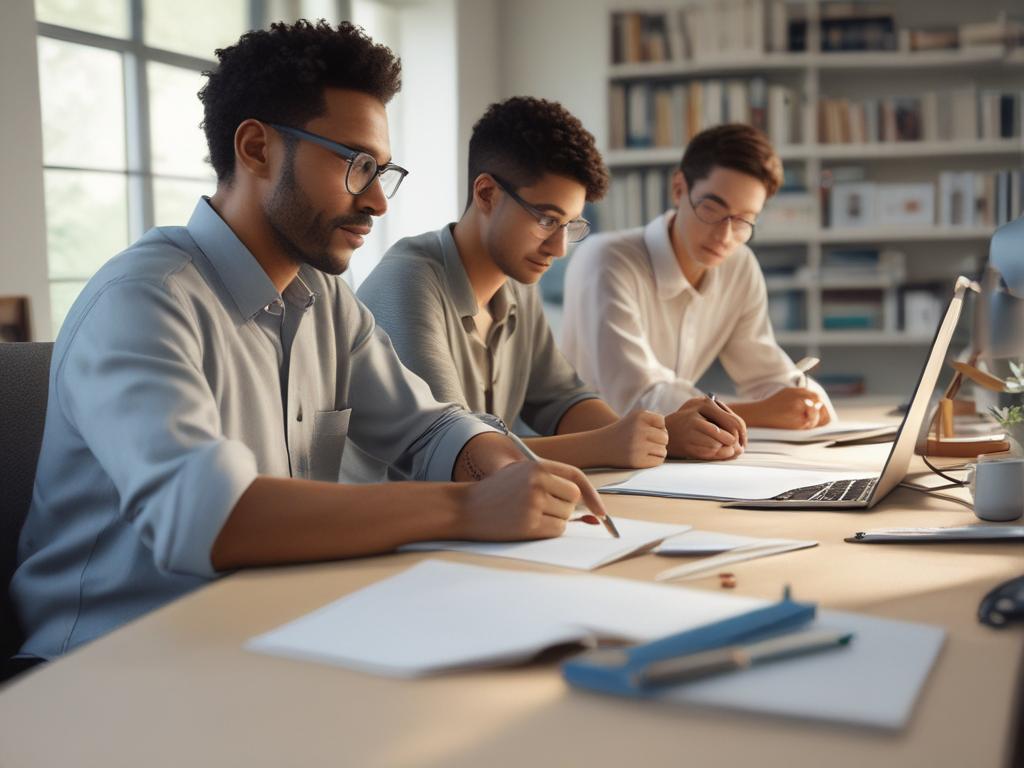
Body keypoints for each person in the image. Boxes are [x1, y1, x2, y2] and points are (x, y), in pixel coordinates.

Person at [10, 21, 606, 663]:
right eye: (355, 165)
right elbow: (212, 516)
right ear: (257, 148)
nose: (378, 200)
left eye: (382, 171)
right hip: (112, 662)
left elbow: (428, 429)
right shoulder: (141, 299)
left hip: (273, 634)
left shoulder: (324, 302)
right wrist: (466, 506)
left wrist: (493, 459)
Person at [356, 97, 744, 471]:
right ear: (487, 194)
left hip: (480, 517)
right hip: (396, 526)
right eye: (545, 220)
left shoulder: (517, 284)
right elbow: (454, 449)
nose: (559, 248)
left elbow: (560, 399)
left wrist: (649, 436)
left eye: (570, 226)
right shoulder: (408, 284)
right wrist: (611, 443)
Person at [561, 123, 835, 431]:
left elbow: (765, 373)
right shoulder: (606, 260)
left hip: (669, 454)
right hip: (589, 454)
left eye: (744, 220)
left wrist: (806, 403)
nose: (725, 235)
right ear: (679, 189)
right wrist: (759, 413)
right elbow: (635, 398)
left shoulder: (738, 265)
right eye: (711, 209)